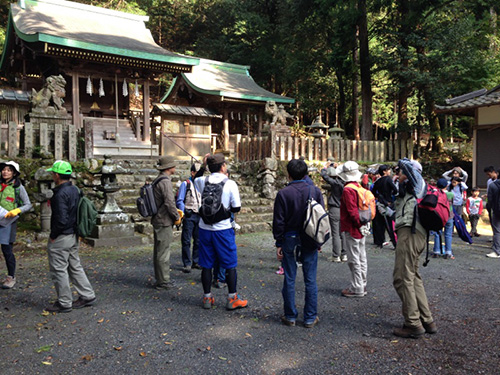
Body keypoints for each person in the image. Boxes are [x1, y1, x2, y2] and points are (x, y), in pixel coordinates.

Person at [273, 159, 322, 327]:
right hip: (310, 238)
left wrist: (278, 242)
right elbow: (320, 219)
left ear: (289, 174)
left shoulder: (284, 193)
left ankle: (290, 315)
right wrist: (319, 241)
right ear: (306, 173)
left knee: (289, 277)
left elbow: (278, 221)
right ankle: (310, 317)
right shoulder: (315, 191)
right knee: (310, 279)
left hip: (290, 237)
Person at [194, 153, 247, 310]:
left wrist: (204, 166)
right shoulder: (230, 183)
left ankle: (207, 298)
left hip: (204, 228)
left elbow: (194, 179)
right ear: (223, 166)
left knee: (206, 264)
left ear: (209, 167)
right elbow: (236, 207)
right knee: (230, 264)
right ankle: (232, 298)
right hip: (223, 229)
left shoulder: (201, 181)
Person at [392, 159, 437, 338]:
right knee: (413, 277)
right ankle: (427, 320)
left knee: (402, 278)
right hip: (414, 234)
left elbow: (410, 170)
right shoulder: (410, 191)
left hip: (410, 234)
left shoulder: (418, 183)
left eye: (400, 171)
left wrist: (403, 162)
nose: (399, 174)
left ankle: (413, 323)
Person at [44, 160, 96, 313]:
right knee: (75, 266)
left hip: (61, 236)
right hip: (74, 234)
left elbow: (61, 219)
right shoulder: (75, 190)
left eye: (53, 173)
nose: (52, 175)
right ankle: (87, 294)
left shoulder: (59, 193)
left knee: (59, 269)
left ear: (57, 175)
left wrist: (53, 235)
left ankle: (64, 302)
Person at [338, 161, 368, 298]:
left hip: (353, 227)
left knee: (354, 258)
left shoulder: (348, 190)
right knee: (361, 257)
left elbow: (351, 211)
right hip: (362, 226)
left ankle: (357, 288)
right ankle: (362, 283)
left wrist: (357, 225)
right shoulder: (359, 187)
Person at [0, 161, 32, 289]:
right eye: (4, 169)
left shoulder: (18, 188)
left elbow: (28, 204)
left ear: (14, 173)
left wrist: (17, 210)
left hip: (9, 222)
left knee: (7, 250)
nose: (5, 172)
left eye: (9, 170)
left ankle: (10, 277)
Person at [152, 156, 181, 290]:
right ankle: (163, 281)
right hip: (163, 220)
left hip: (158, 218)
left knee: (159, 251)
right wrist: (176, 216)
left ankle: (160, 278)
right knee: (163, 252)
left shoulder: (158, 180)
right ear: (169, 168)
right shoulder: (165, 182)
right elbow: (170, 203)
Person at [176, 160, 206, 273]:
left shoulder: (201, 183)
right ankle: (187, 263)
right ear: (192, 172)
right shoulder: (186, 184)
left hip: (200, 215)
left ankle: (196, 261)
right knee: (186, 240)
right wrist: (184, 211)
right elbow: (180, 200)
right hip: (189, 214)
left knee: (198, 240)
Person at [320, 160, 347, 263]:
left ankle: (336, 256)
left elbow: (325, 176)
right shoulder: (347, 184)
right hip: (344, 210)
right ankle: (344, 254)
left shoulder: (336, 184)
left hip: (335, 208)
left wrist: (324, 168)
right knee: (343, 233)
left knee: (335, 234)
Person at [372, 164, 398, 248]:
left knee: (380, 224)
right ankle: (395, 243)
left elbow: (373, 191)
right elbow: (395, 190)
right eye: (388, 170)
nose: (390, 172)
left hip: (380, 203)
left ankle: (379, 242)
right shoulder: (388, 179)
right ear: (384, 171)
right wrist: (392, 195)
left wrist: (379, 197)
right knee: (391, 224)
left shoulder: (377, 181)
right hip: (389, 202)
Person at [431, 178, 454, 259]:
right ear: (447, 186)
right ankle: (448, 252)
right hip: (449, 216)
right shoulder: (451, 194)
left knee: (437, 233)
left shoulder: (435, 193)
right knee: (448, 234)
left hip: (438, 216)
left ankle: (436, 251)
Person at [486, 177, 500, 258]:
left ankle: (497, 251)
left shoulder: (492, 185)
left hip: (497, 210)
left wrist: (490, 209)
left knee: (497, 231)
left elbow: (490, 200)